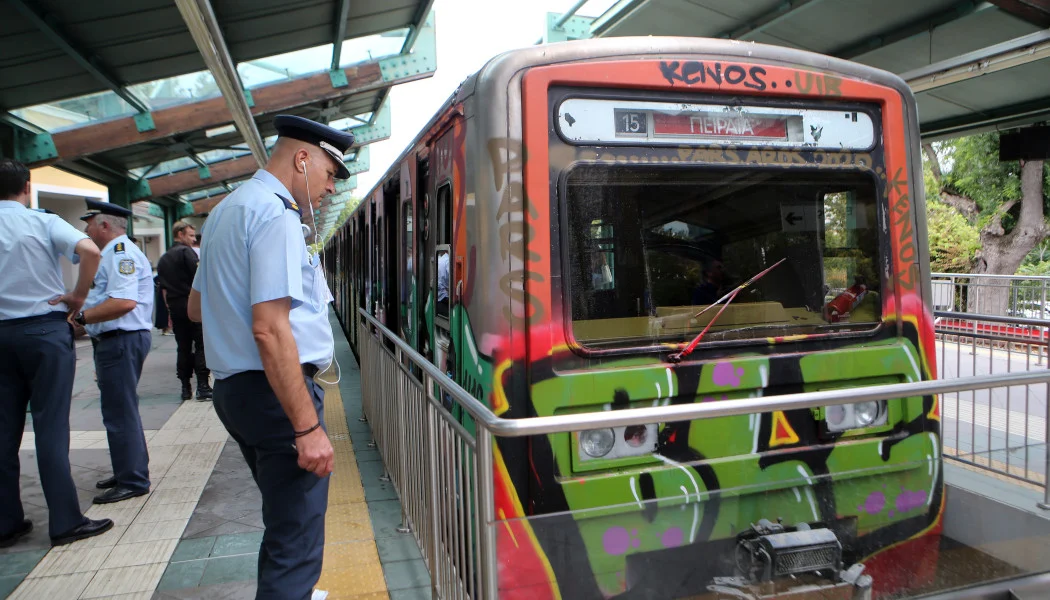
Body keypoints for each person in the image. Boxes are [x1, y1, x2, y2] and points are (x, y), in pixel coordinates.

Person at [189, 114, 350, 600]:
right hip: (276, 394)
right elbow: (270, 327)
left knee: (283, 520)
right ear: (302, 159)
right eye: (327, 176)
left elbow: (197, 308)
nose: (327, 190)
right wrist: (306, 428)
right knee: (296, 539)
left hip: (236, 392)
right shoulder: (276, 215)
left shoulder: (224, 211)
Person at [0, 158, 114, 546]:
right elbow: (90, 251)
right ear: (26, 188)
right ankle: (64, 521)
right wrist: (79, 296)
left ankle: (6, 522)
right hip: (44, 331)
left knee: (2, 432)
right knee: (50, 427)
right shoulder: (41, 220)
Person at [73, 199, 154, 504]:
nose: (85, 228)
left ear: (104, 225)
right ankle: (127, 469)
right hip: (116, 340)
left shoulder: (120, 253)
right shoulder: (112, 253)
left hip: (121, 339)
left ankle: (132, 479)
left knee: (119, 412)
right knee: (119, 409)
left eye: (89, 221)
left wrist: (82, 318)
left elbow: (123, 302)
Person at [157, 221, 211, 401]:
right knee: (201, 345)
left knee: (183, 348)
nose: (193, 239)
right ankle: (202, 385)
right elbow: (200, 281)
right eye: (190, 235)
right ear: (180, 234)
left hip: (175, 308)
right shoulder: (187, 254)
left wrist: (169, 312)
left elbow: (163, 289)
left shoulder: (164, 258)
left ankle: (185, 387)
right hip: (192, 306)